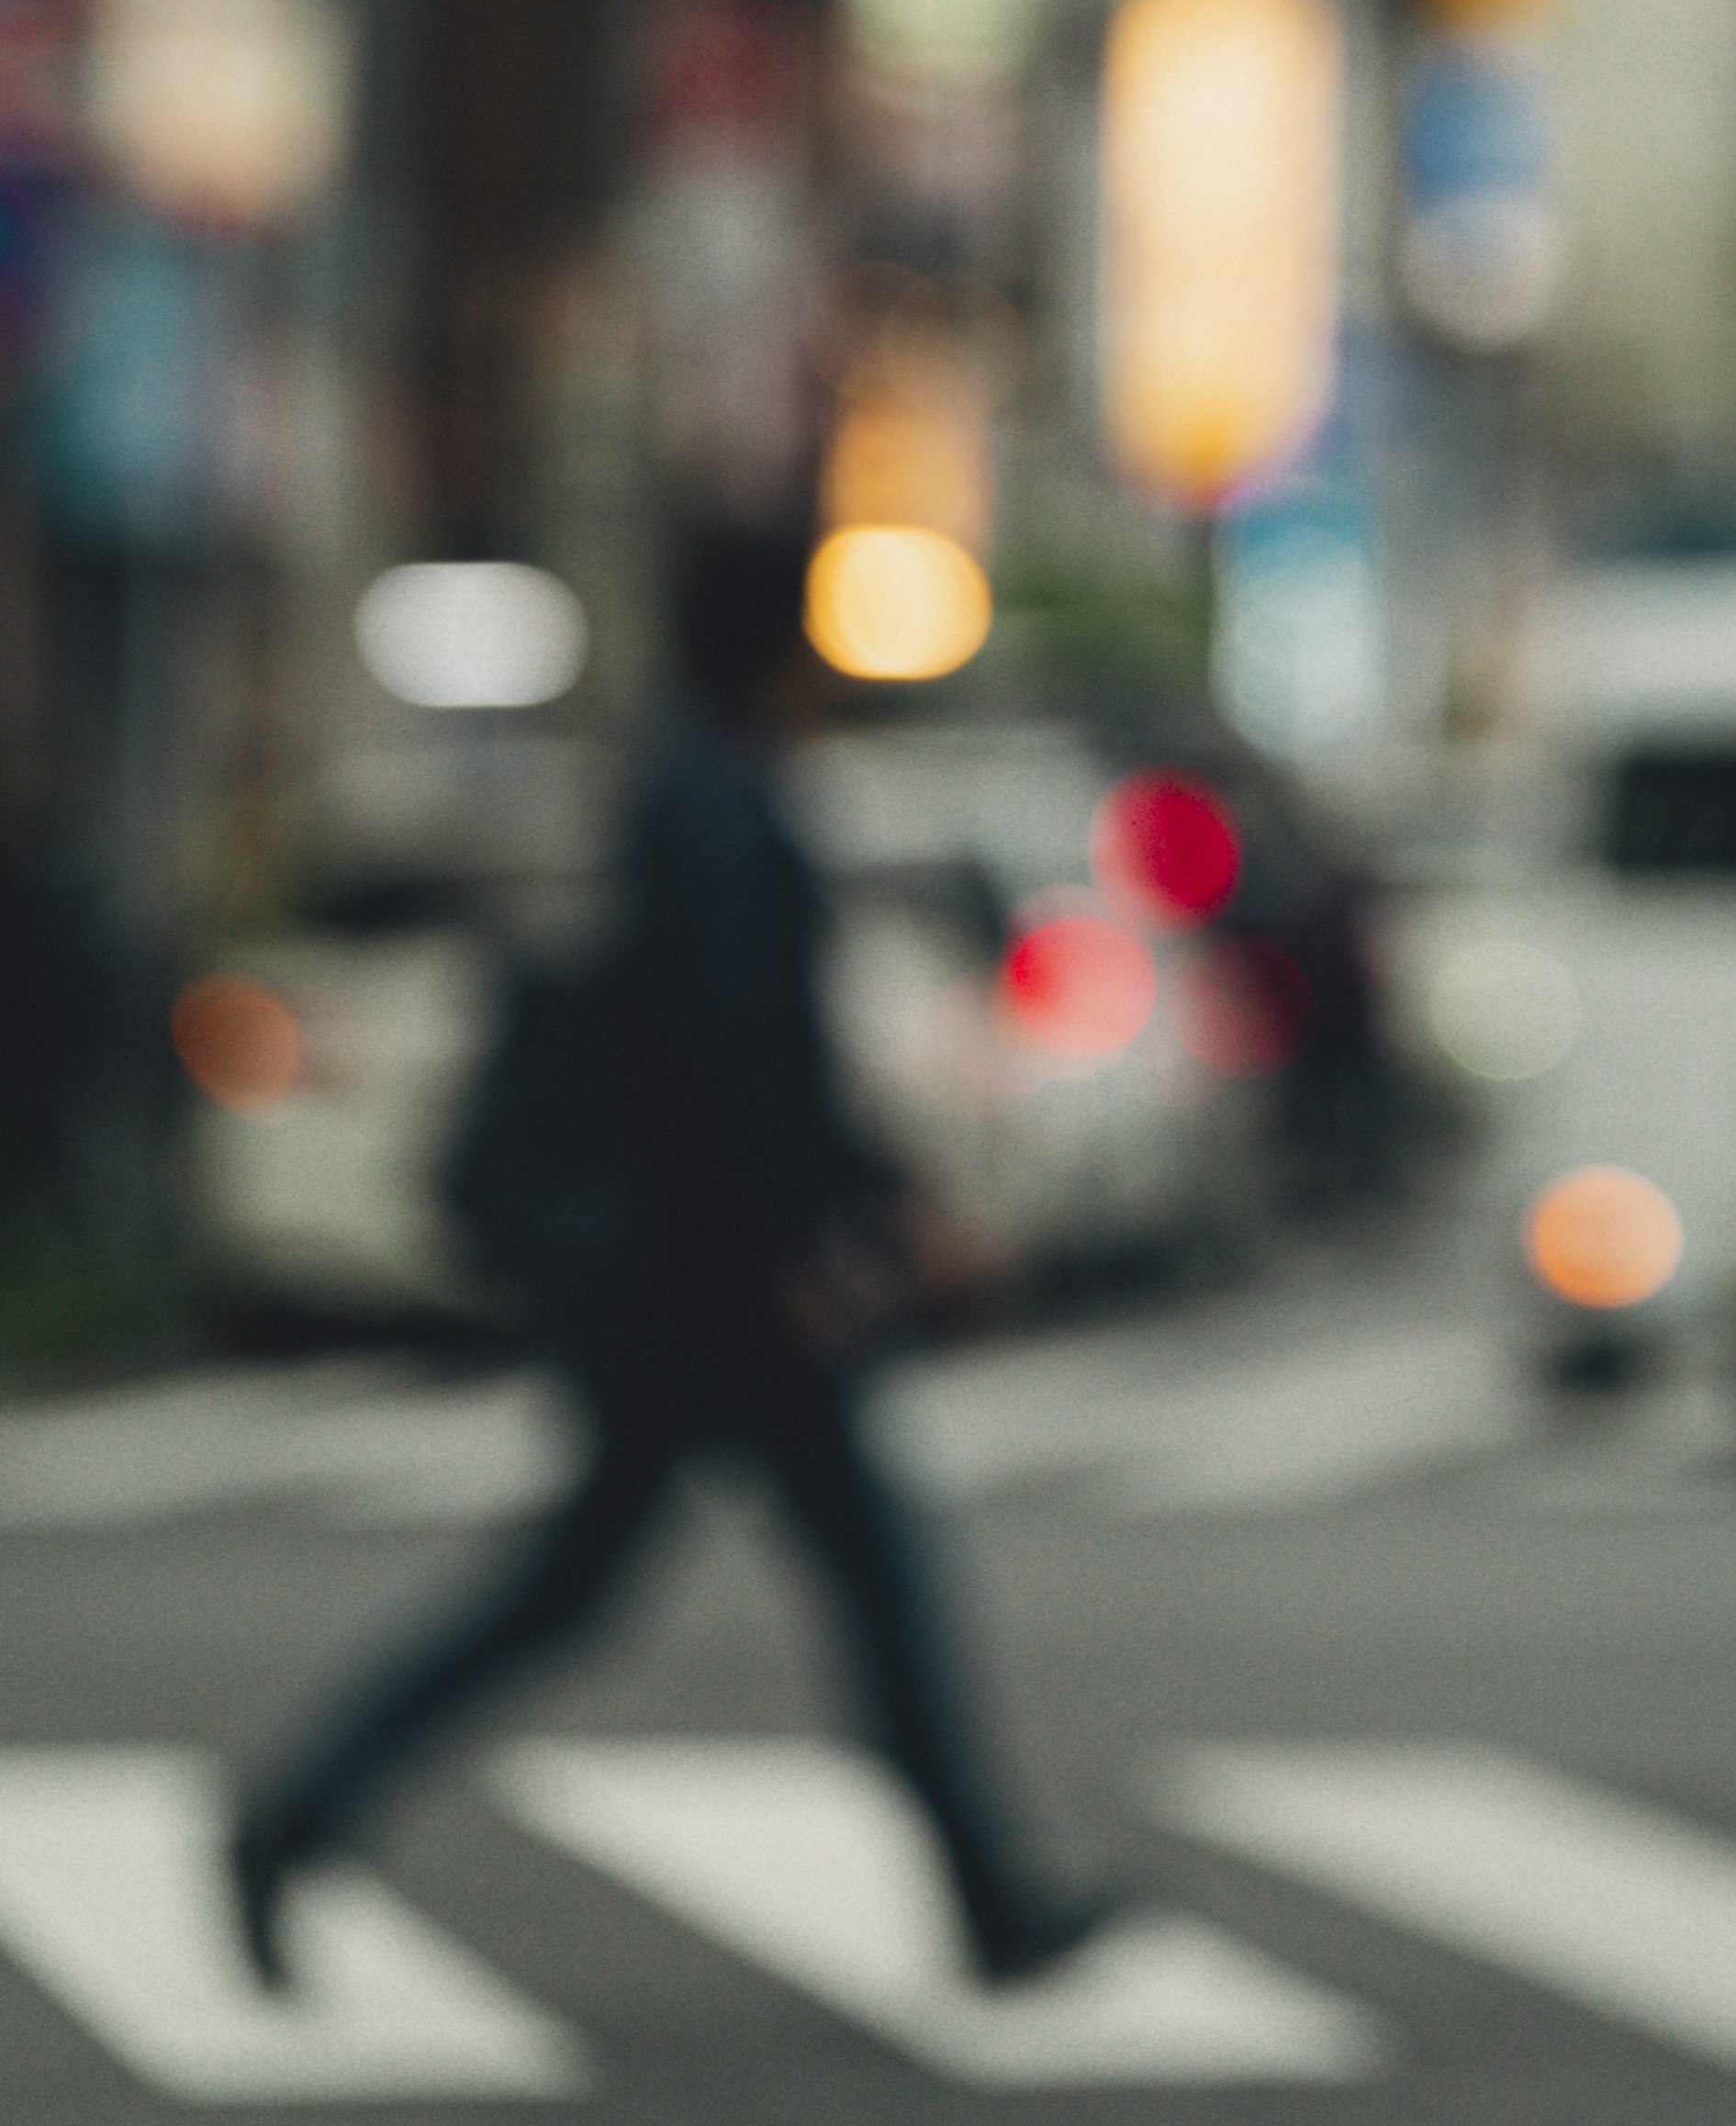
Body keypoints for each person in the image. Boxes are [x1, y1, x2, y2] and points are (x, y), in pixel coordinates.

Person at [229, 517, 1107, 1992]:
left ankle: (299, 1817)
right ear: (778, 640)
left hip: (681, 1285)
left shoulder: (689, 781)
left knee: (592, 1586)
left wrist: (854, 1211)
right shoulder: (718, 800)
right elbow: (738, 1053)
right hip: (714, 1292)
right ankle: (990, 1900)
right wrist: (826, 1239)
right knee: (853, 1579)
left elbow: (741, 1052)